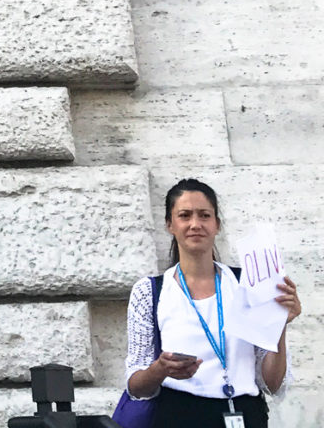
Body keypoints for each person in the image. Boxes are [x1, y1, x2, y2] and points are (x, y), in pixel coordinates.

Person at [124, 178, 302, 427]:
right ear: (169, 225)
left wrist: (280, 323)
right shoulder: (150, 291)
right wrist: (160, 370)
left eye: (204, 215)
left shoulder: (247, 283)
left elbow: (271, 384)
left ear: (217, 224)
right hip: (179, 414)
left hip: (246, 413)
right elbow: (135, 386)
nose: (195, 224)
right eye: (184, 215)